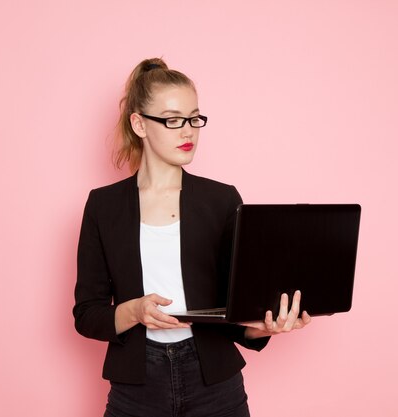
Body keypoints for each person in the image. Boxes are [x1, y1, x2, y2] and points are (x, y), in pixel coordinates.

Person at [73, 58, 312, 417]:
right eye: (172, 120)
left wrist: (263, 328)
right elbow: (87, 315)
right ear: (139, 124)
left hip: (214, 385)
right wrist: (135, 310)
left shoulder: (222, 200)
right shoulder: (103, 206)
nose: (188, 132)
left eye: (194, 118)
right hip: (136, 387)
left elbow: (235, 311)